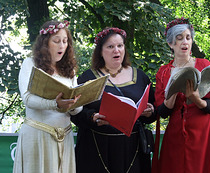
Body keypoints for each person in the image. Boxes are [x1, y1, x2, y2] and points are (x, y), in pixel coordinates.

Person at [71, 27, 156, 173]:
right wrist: (92, 117)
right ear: (101, 52)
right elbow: (75, 112)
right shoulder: (87, 78)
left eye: (120, 46)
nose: (116, 50)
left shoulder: (141, 77)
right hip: (97, 149)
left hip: (132, 149)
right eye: (110, 47)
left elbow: (153, 111)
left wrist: (150, 112)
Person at [151, 17, 210, 173]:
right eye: (179, 39)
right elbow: (163, 112)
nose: (185, 42)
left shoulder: (203, 64)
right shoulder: (163, 72)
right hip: (175, 133)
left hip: (202, 132)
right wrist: (172, 92)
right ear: (171, 44)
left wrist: (195, 97)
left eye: (188, 37)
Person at [13, 20, 83, 173]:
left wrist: (74, 104)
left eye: (65, 41)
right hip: (37, 137)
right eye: (56, 41)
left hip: (65, 137)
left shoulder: (69, 70)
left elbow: (76, 110)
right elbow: (28, 98)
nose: (62, 46)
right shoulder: (30, 63)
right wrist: (55, 104)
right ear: (45, 43)